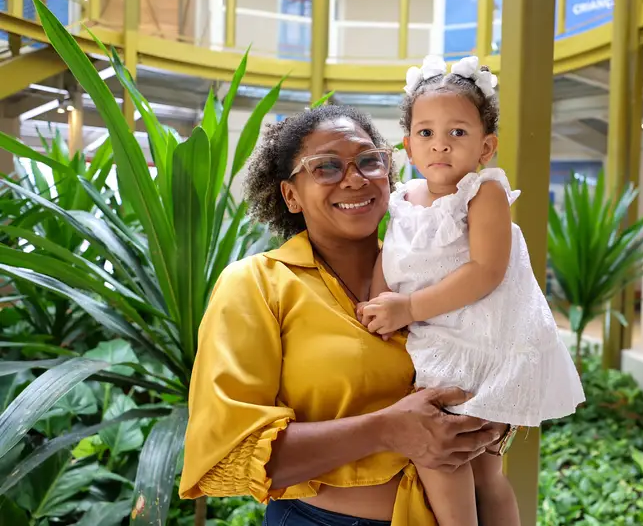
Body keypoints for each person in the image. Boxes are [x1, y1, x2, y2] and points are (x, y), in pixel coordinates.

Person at [178, 105, 506, 526]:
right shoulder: (257, 284)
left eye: (369, 161)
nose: (354, 179)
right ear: (291, 196)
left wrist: (493, 421)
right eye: (326, 167)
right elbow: (229, 451)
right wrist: (386, 430)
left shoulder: (444, 274)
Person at [357, 55, 586, 526]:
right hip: (429, 337)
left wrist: (409, 307)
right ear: (408, 146)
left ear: (486, 146)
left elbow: (486, 270)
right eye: (426, 132)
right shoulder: (402, 201)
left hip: (475, 343)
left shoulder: (483, 194)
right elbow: (392, 259)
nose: (440, 144)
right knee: (476, 466)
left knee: (445, 456)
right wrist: (378, 305)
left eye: (457, 132)